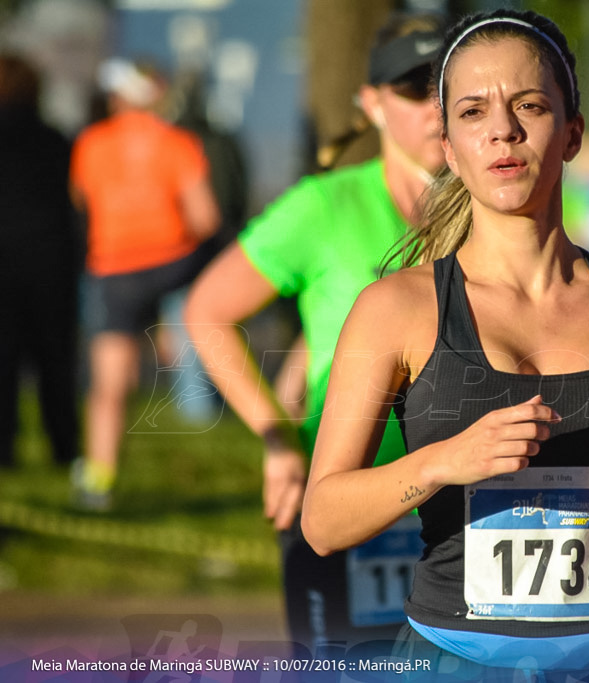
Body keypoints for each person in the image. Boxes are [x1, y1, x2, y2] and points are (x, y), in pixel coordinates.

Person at [301, 10, 589, 680]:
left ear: (573, 133)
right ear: (449, 146)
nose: (502, 129)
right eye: (473, 111)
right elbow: (323, 520)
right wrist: (446, 460)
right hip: (457, 660)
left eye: (528, 104)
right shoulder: (397, 309)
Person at [184, 13, 447, 651]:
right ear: (372, 105)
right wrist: (276, 435)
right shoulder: (322, 206)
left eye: (448, 85)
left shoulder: (502, 211)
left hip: (465, 500)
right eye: (414, 90)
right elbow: (207, 312)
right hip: (347, 498)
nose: (435, 108)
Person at [70, 58, 220, 510]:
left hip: (113, 269)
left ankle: (99, 478)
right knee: (193, 356)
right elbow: (206, 217)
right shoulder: (179, 142)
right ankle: (203, 465)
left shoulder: (91, 144)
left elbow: (81, 201)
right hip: (175, 265)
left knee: (110, 382)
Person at [0, 52, 81, 470]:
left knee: (3, 362)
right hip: (52, 263)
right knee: (56, 361)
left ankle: (5, 450)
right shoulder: (55, 140)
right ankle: (65, 448)